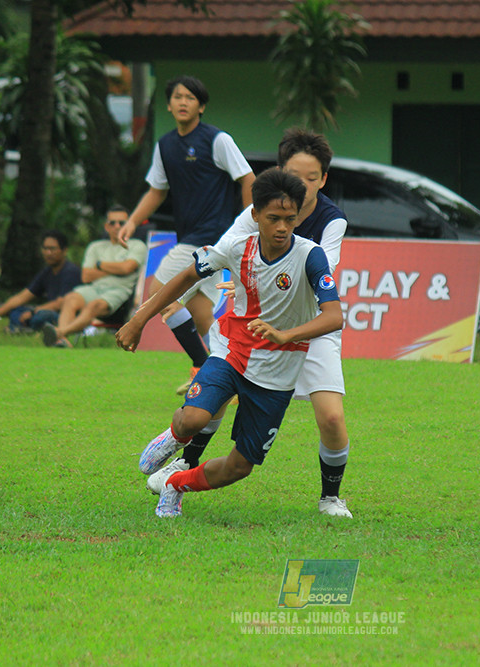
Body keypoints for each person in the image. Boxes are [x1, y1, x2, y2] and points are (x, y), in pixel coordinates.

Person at [147, 128, 355, 518]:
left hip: (307, 327)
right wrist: (225, 284)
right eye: (296, 176)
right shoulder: (257, 210)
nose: (304, 186)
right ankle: (181, 464)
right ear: (280, 172)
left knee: (331, 416)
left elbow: (320, 289)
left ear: (324, 179)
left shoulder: (331, 222)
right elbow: (222, 252)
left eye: (313, 179)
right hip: (255, 324)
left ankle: (330, 496)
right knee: (216, 397)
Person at [118, 75, 255, 384]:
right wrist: (131, 221)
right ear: (168, 105)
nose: (183, 102)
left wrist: (249, 227)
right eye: (177, 97)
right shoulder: (165, 145)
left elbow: (247, 178)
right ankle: (234, 377)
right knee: (202, 316)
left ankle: (202, 366)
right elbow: (156, 190)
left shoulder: (217, 140)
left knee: (159, 294)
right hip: (193, 238)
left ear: (201, 106)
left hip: (208, 239)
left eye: (190, 98)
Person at [42, 206, 146, 348]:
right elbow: (86, 276)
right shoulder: (95, 247)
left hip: (119, 291)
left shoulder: (137, 245)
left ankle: (59, 333)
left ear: (129, 225)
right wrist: (117, 268)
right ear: (106, 226)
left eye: (121, 223)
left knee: (94, 305)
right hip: (94, 288)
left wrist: (99, 264)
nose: (116, 226)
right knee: (71, 298)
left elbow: (127, 268)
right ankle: (63, 342)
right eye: (112, 223)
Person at [0, 230, 81, 334]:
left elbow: (60, 303)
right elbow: (22, 297)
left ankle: (23, 329)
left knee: (43, 316)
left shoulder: (71, 272)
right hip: (43, 312)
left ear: (64, 250)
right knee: (16, 311)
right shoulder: (47, 272)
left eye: (52, 249)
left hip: (64, 315)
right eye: (45, 249)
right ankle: (27, 329)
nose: (48, 253)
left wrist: (33, 312)